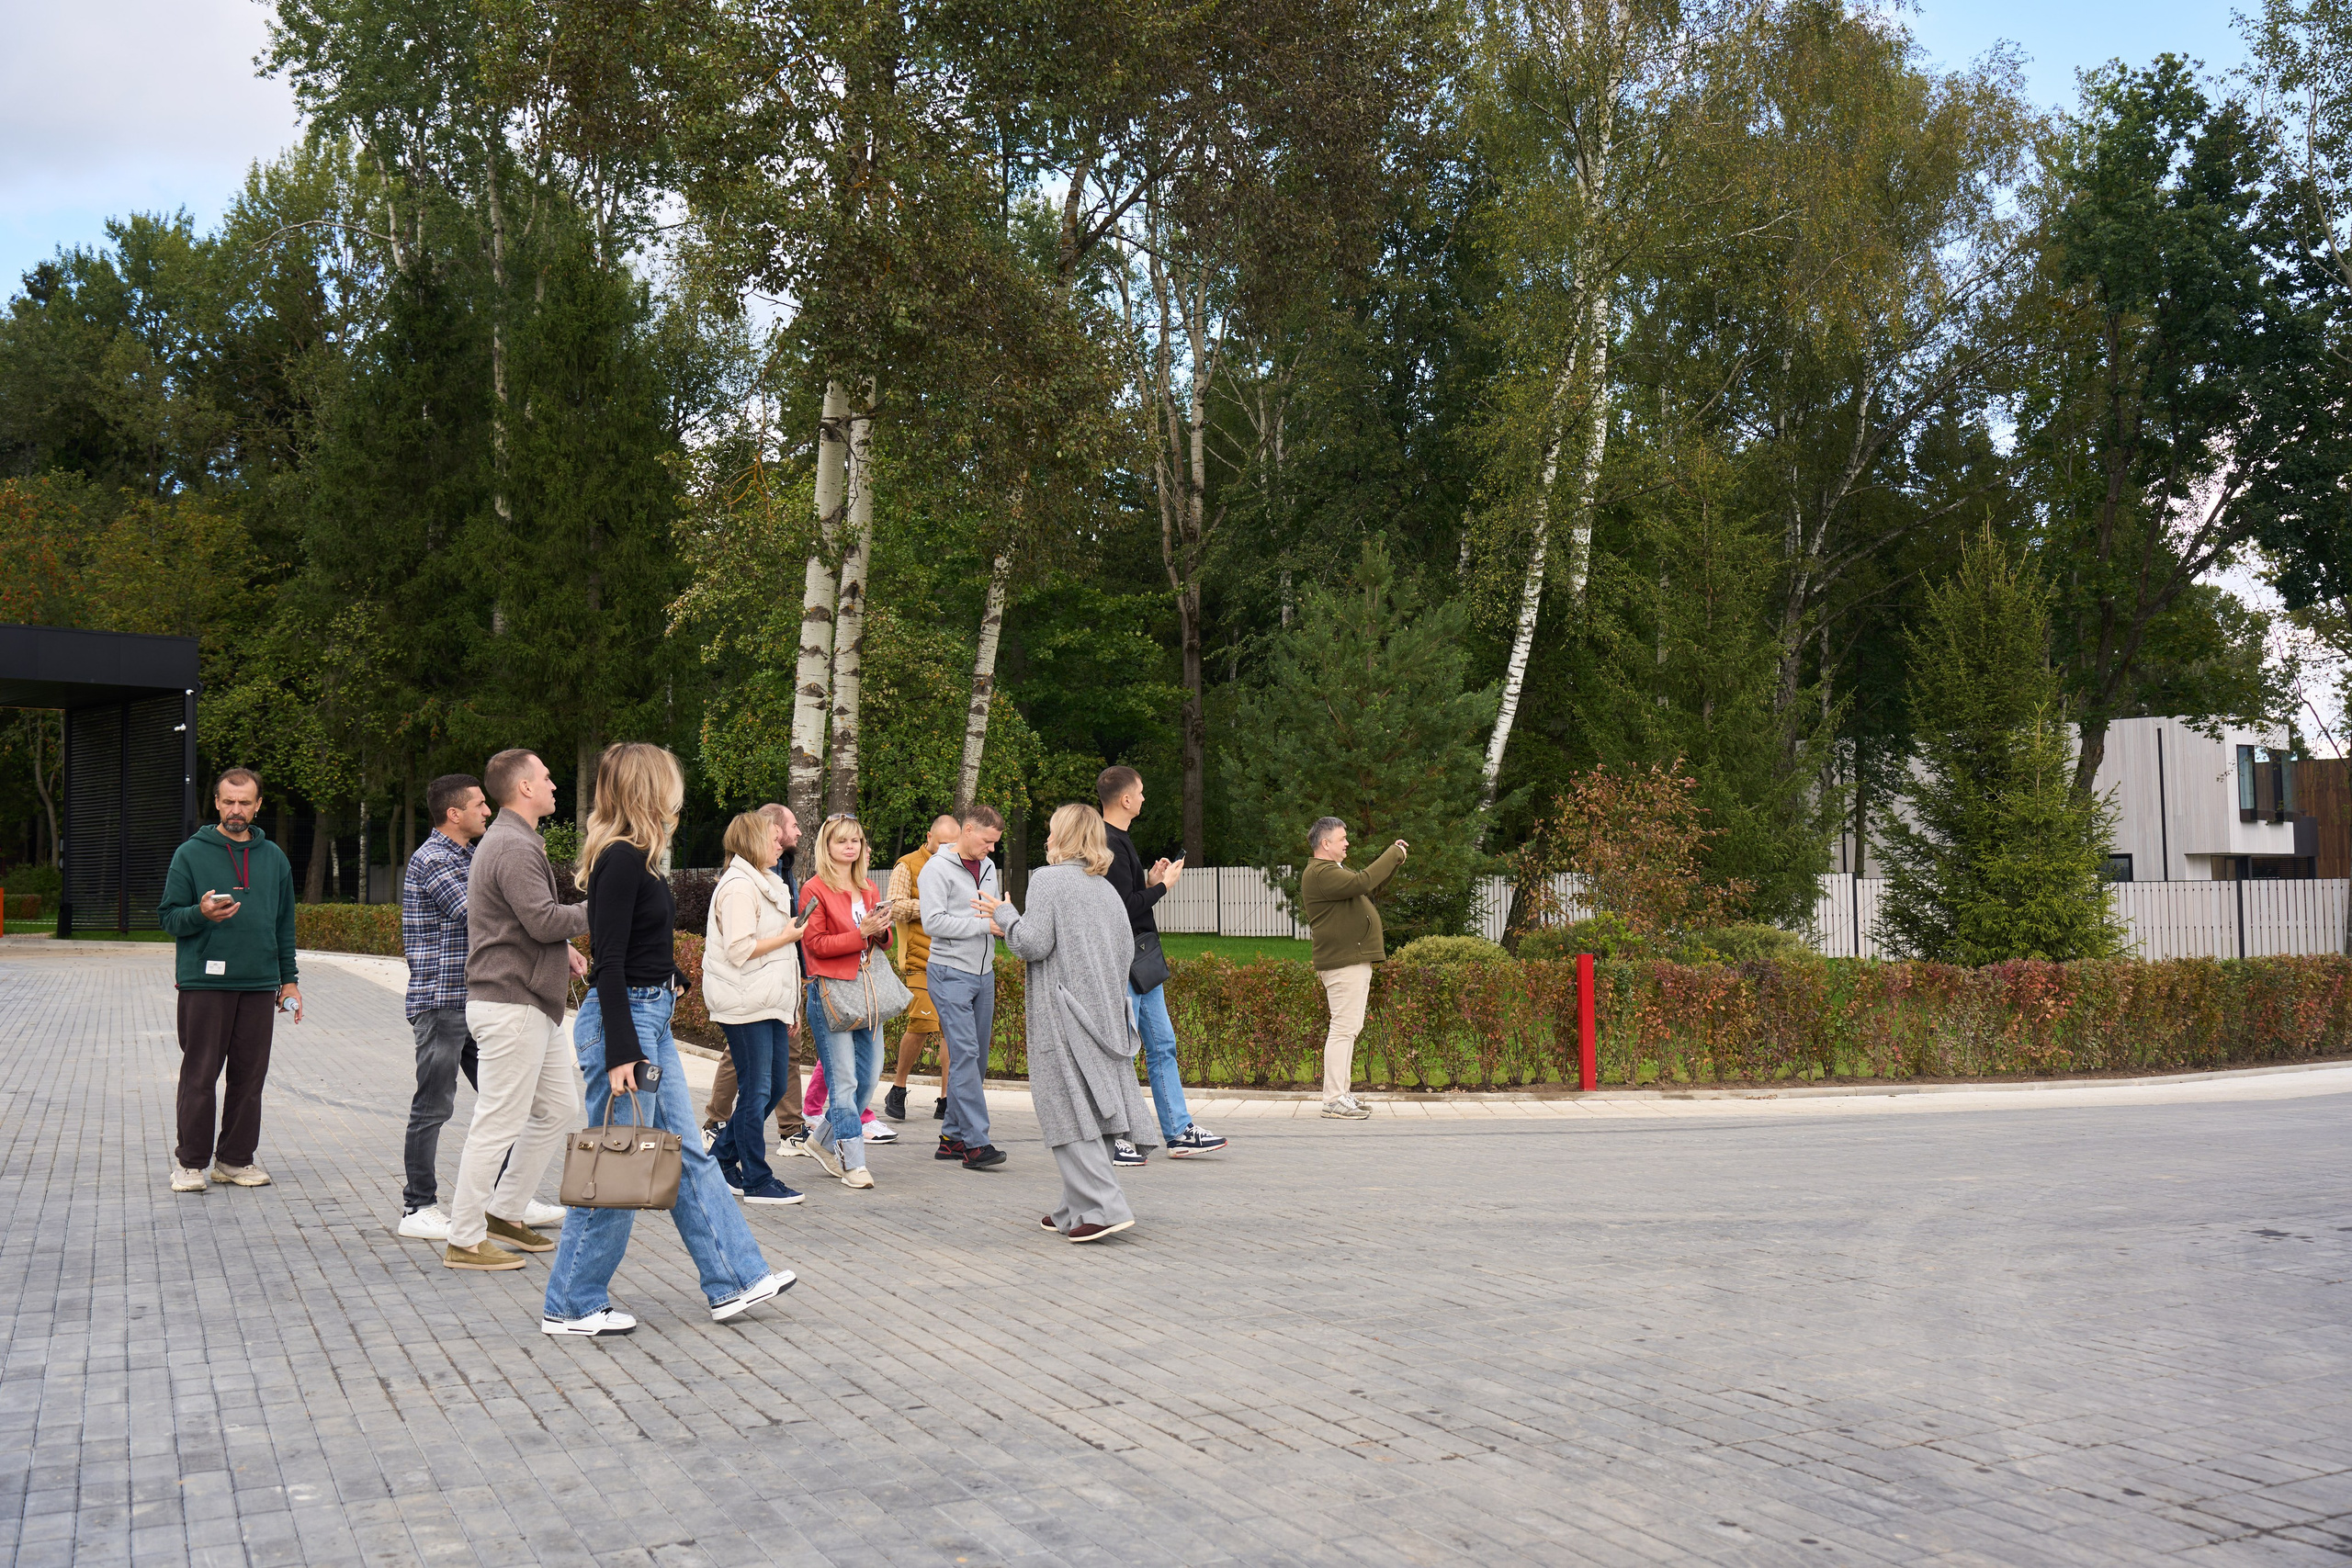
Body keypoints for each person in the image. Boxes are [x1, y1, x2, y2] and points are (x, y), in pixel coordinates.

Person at [542, 743, 794, 1337]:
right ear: (651, 788)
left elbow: (633, 946)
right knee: (619, 1163)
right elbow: (608, 962)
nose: (679, 793)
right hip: (624, 1026)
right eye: (673, 782)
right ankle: (572, 1302)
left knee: (688, 1154)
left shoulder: (637, 858)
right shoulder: (621, 859)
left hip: (644, 1015)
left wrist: (669, 976)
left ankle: (734, 1278)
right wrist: (624, 1050)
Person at [395, 774, 569, 1240]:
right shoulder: (433, 859)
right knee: (435, 1106)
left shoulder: (473, 856)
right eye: (477, 805)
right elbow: (479, 913)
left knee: (508, 1106)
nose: (486, 811)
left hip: (478, 998)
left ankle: (507, 1200)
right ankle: (419, 1207)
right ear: (454, 814)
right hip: (441, 1000)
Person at [444, 749, 592, 1271]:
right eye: (546, 778)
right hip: (512, 1004)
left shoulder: (515, 839)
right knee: (498, 1122)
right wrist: (604, 907)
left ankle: (504, 1211)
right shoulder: (511, 844)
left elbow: (525, 923)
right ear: (524, 788)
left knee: (558, 1109)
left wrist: (561, 949)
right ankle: (464, 1237)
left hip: (528, 1002)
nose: (554, 785)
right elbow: (543, 920)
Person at [990, 805, 1154, 1241]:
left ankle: (1104, 1208)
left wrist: (1005, 918)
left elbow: (1033, 943)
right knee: (1094, 1106)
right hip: (1105, 1012)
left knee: (1065, 1106)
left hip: (1062, 1011)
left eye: (1050, 831)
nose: (1046, 839)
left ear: (1063, 836)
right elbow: (1124, 953)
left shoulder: (1048, 880)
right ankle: (1073, 1210)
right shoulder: (1105, 889)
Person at [157, 768, 302, 1193]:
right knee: (200, 1074)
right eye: (228, 801)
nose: (235, 809)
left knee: (249, 1076)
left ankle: (235, 1160)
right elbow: (168, 917)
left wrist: (288, 981)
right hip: (204, 982)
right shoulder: (190, 853)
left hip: (258, 984)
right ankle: (190, 1164)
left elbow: (284, 925)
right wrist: (199, 913)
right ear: (217, 803)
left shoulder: (274, 857)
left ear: (258, 806)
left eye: (245, 802)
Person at [1096, 766, 1228, 1165]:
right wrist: (1162, 886)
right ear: (1125, 799)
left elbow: (1128, 895)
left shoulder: (1121, 841)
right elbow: (1120, 909)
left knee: (1162, 1046)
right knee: (1121, 1051)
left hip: (1143, 962)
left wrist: (1150, 879)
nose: (1143, 799)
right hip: (1125, 962)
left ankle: (1178, 1131)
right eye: (1140, 792)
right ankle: (1115, 1136)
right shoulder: (1108, 843)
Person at [704, 809, 807, 1205]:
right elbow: (740, 949)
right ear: (750, 842)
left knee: (774, 1086)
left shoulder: (765, 882)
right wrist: (787, 936)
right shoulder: (738, 888)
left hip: (767, 1001)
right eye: (771, 837)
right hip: (744, 1001)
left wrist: (790, 1007)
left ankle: (721, 1159)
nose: (779, 842)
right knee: (756, 1090)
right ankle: (757, 1180)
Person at [796, 814, 896, 1189]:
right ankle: (852, 1161)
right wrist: (860, 933)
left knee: (868, 1079)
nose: (850, 847)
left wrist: (881, 929)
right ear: (827, 847)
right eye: (841, 841)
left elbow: (881, 941)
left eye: (855, 840)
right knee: (844, 1081)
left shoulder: (868, 886)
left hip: (867, 994)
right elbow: (815, 945)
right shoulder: (814, 889)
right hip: (831, 993)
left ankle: (820, 1139)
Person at [921, 805, 1010, 1170]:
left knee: (977, 1059)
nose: (991, 849)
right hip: (949, 972)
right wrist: (982, 927)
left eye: (995, 844)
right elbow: (932, 922)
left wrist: (1003, 918)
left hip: (983, 973)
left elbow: (990, 912)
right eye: (988, 841)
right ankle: (976, 1144)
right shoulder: (936, 869)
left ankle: (951, 1137)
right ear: (969, 830)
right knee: (965, 1055)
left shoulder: (987, 867)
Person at [1299, 818, 1407, 1120]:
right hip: (1343, 963)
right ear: (1326, 843)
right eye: (1342, 838)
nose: (1347, 843)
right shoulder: (1320, 873)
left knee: (1348, 1029)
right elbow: (1363, 882)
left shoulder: (1332, 872)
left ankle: (1341, 1094)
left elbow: (1367, 886)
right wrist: (1393, 853)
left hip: (1351, 961)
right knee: (1343, 1029)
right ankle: (1333, 1099)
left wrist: (1393, 863)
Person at [882, 813, 961, 1122]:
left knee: (950, 1031)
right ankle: (898, 1088)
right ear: (929, 837)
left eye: (953, 845)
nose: (948, 850)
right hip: (919, 961)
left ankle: (946, 1098)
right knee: (922, 1024)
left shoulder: (959, 863)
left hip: (953, 959)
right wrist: (934, 907)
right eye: (942, 844)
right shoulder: (907, 864)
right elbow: (895, 905)